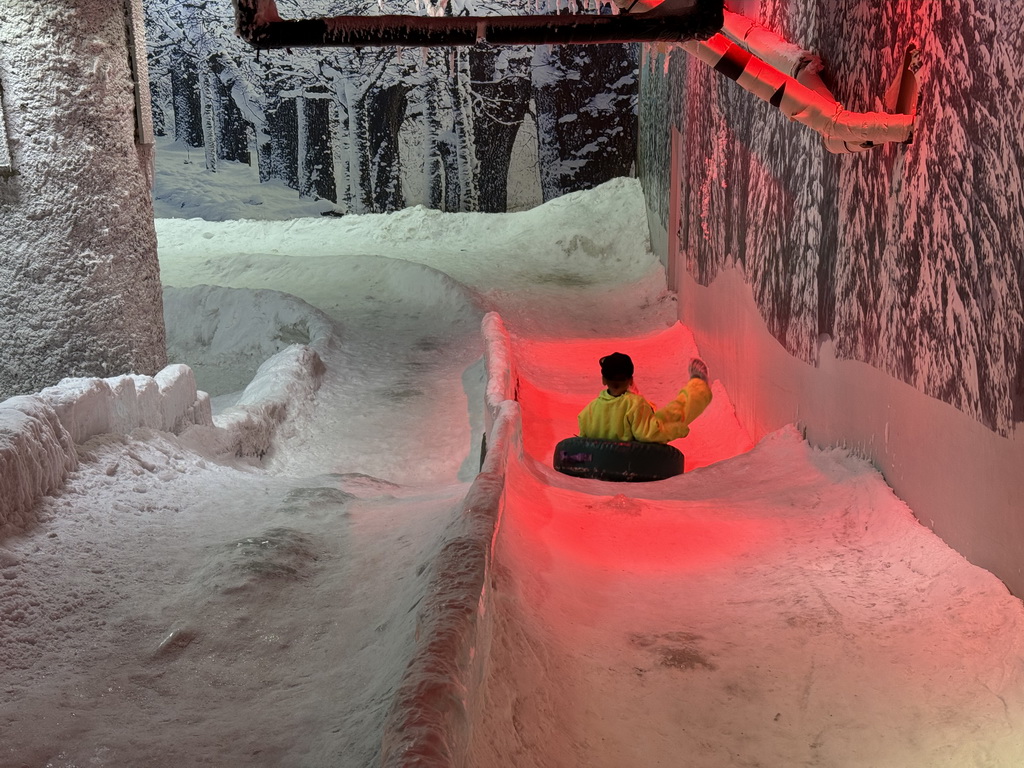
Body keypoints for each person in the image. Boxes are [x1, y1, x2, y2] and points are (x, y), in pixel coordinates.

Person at [577, 352, 712, 443]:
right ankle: (698, 386)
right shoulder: (636, 405)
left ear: (603, 380)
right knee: (671, 414)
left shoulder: (588, 411)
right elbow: (649, 434)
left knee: (642, 413)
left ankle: (697, 386)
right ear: (630, 380)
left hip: (603, 459)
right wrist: (679, 429)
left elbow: (584, 439)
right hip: (631, 459)